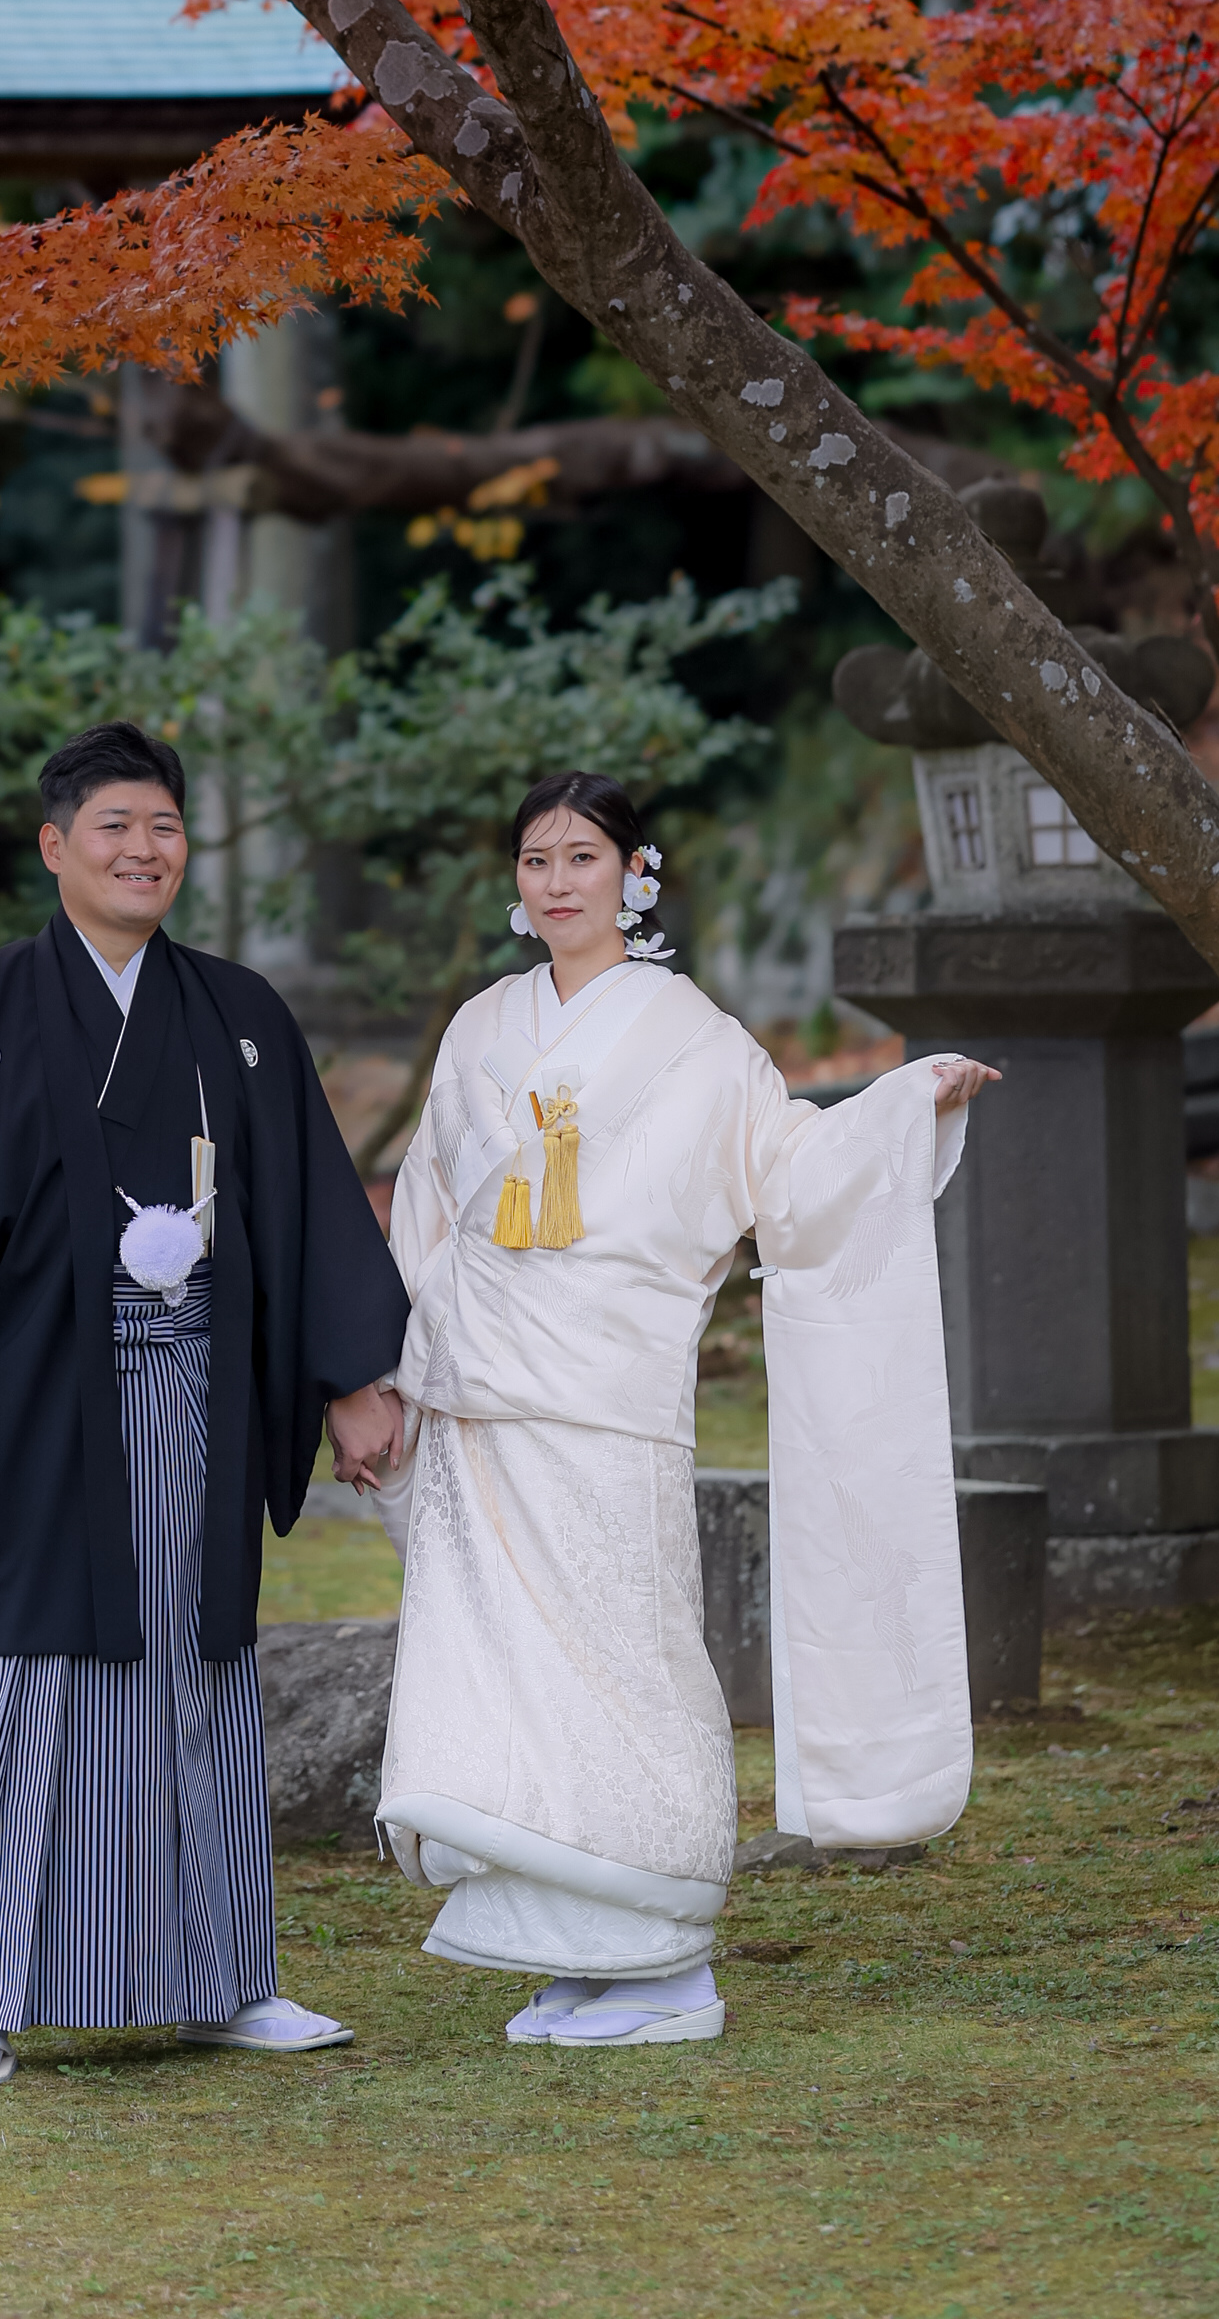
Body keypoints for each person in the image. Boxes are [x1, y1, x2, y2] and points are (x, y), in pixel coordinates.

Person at [0, 719, 411, 2084]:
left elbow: (307, 1206)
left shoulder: (239, 1016)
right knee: (23, 1674)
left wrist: (351, 1379)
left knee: (198, 1668)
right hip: (34, 1394)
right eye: (115, 828)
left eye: (165, 828)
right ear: (54, 846)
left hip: (200, 1386)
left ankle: (227, 1980)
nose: (145, 851)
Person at [371, 771, 997, 2051]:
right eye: (536, 859)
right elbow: (426, 1205)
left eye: (582, 857)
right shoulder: (481, 1027)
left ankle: (667, 1958)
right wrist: (404, 1362)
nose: (558, 880)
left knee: (626, 1655)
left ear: (633, 873)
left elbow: (787, 1170)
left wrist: (897, 1104)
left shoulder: (692, 1036)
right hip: (480, 1385)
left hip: (608, 1388)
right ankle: (573, 1948)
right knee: (507, 1672)